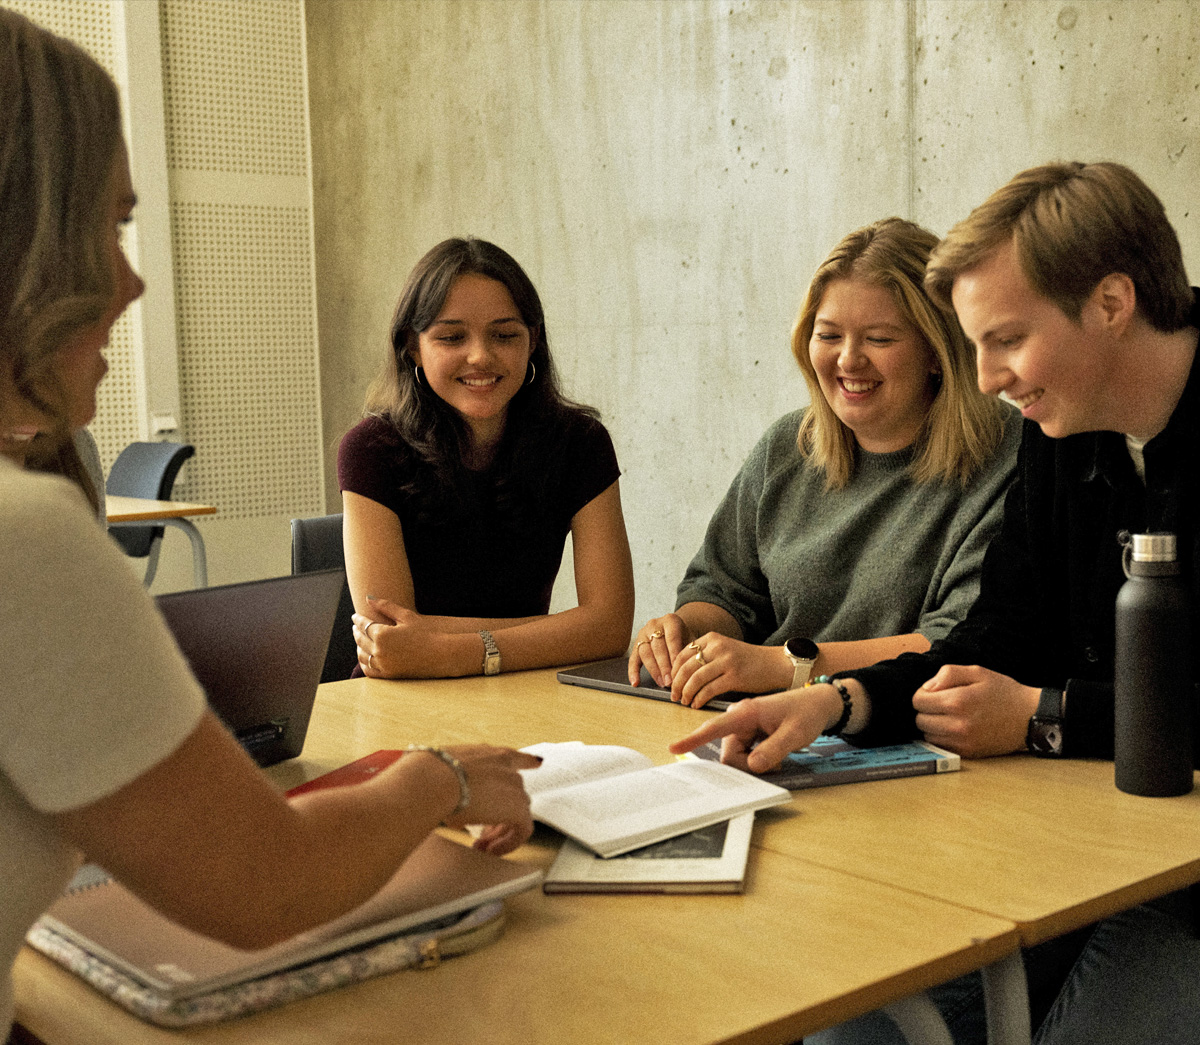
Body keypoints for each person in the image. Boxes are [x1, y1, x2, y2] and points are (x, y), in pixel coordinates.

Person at [0, 12, 538, 1040]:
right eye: (107, 228)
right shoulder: (23, 537)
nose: (133, 280)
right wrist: (442, 775)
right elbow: (264, 884)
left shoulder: (570, 442)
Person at [672, 162, 1200, 1044]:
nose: (987, 377)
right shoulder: (1059, 428)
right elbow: (999, 631)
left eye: (1006, 340)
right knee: (856, 1031)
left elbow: (1035, 692)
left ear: (1112, 302)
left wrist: (1045, 718)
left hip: (1173, 889)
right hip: (1085, 849)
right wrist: (841, 700)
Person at [630, 218, 1019, 709]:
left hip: (905, 724)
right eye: (829, 334)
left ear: (937, 351)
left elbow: (962, 639)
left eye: (879, 339)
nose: (848, 360)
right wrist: (686, 632)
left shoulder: (1008, 455)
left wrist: (785, 668)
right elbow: (724, 588)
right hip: (766, 715)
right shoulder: (787, 445)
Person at [339, 238, 635, 680]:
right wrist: (563, 631)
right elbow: (386, 637)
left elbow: (610, 629)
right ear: (412, 347)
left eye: (505, 334)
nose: (480, 355)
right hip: (405, 698)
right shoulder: (371, 449)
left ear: (532, 341)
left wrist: (451, 649)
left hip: (524, 690)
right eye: (452, 336)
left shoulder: (580, 442)